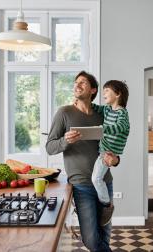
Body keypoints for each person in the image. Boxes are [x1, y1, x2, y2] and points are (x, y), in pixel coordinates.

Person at [45, 71, 119, 252]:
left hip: (105, 182)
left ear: (93, 90)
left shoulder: (102, 114)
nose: (77, 85)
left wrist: (115, 160)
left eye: (83, 83)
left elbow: (113, 147)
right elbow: (50, 147)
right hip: (81, 186)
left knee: (104, 236)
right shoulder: (64, 113)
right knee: (92, 240)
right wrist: (66, 141)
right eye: (76, 82)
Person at [91, 80, 130, 226]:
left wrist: (102, 129)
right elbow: (96, 108)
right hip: (104, 149)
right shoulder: (107, 109)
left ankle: (107, 205)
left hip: (109, 152)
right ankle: (105, 203)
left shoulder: (122, 113)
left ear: (118, 94)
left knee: (96, 179)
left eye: (107, 90)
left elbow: (120, 127)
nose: (104, 93)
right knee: (97, 178)